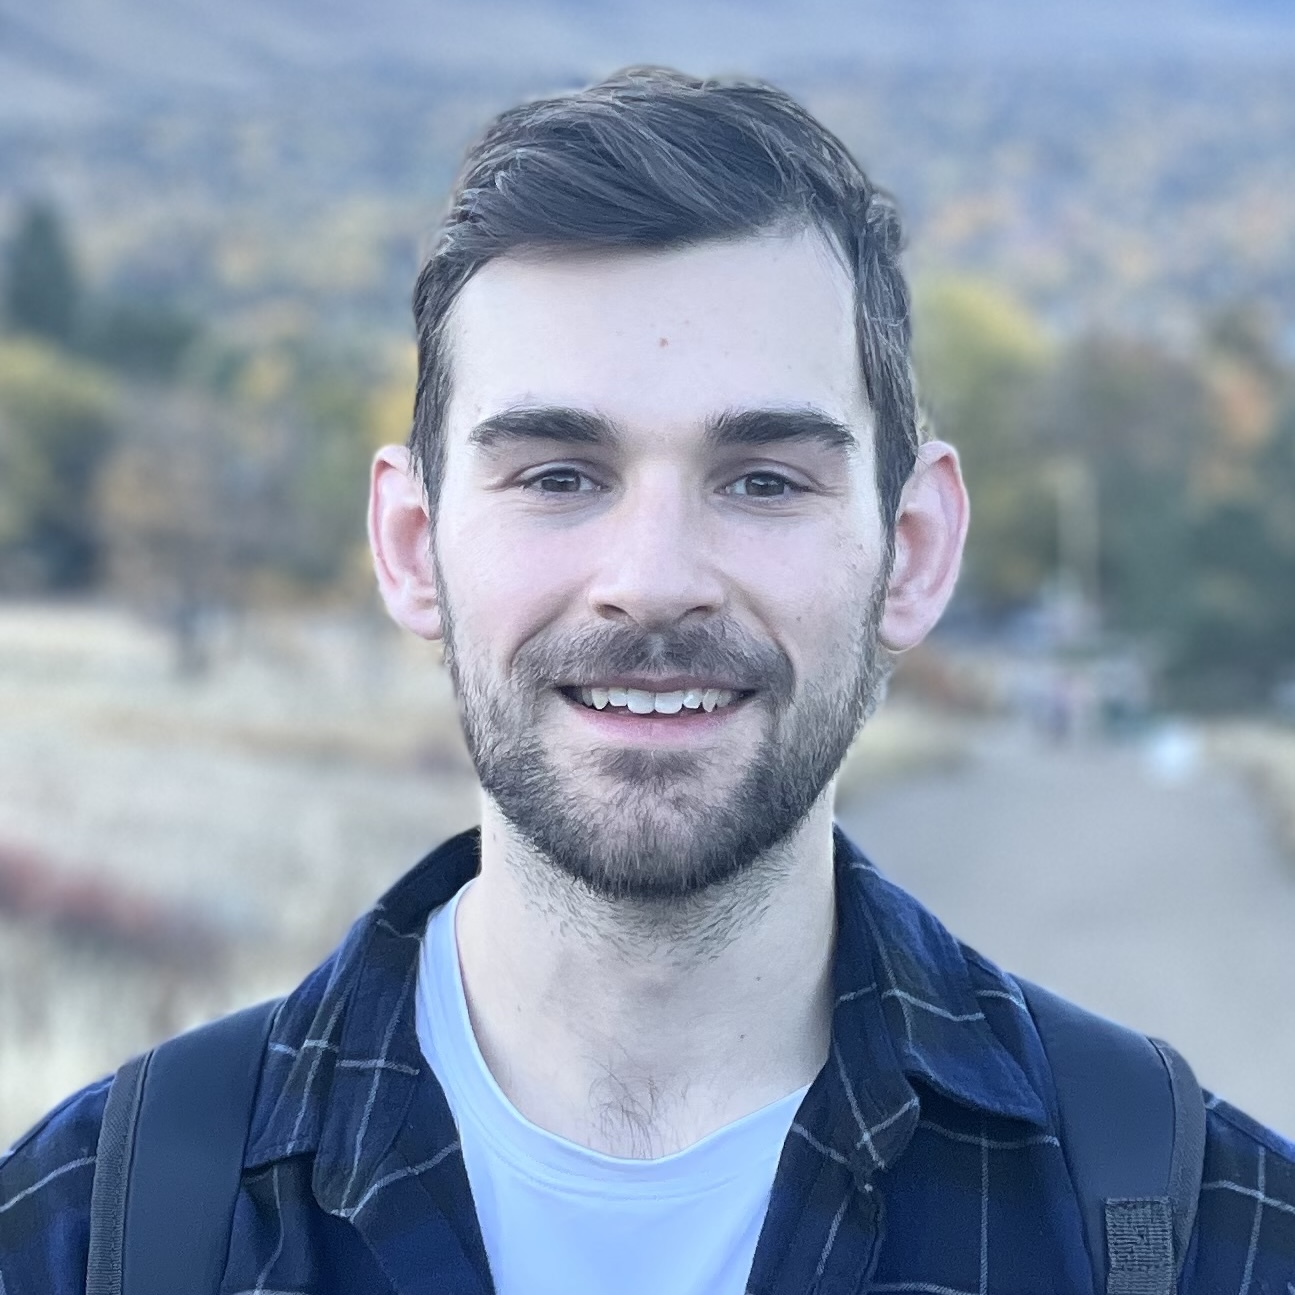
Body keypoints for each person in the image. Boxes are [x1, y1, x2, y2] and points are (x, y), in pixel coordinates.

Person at [3, 66, 1293, 1295]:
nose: (655, 580)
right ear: (411, 545)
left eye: (764, 480)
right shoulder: (84, 1239)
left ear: (911, 549)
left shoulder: (1203, 1239)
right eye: (559, 476)